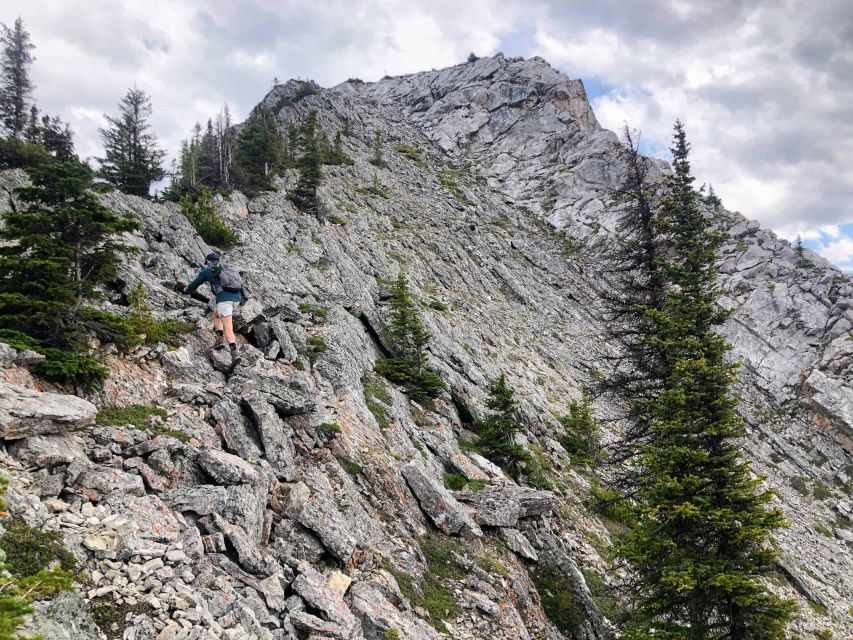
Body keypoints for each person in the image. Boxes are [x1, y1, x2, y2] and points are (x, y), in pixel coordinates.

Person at [184, 251, 243, 365]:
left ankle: (234, 353)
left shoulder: (207, 270)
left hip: (224, 300)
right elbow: (239, 283)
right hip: (236, 299)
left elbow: (196, 283)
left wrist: (186, 291)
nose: (206, 264)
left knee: (228, 328)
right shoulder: (227, 268)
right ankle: (220, 339)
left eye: (206, 262)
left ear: (209, 261)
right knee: (215, 315)